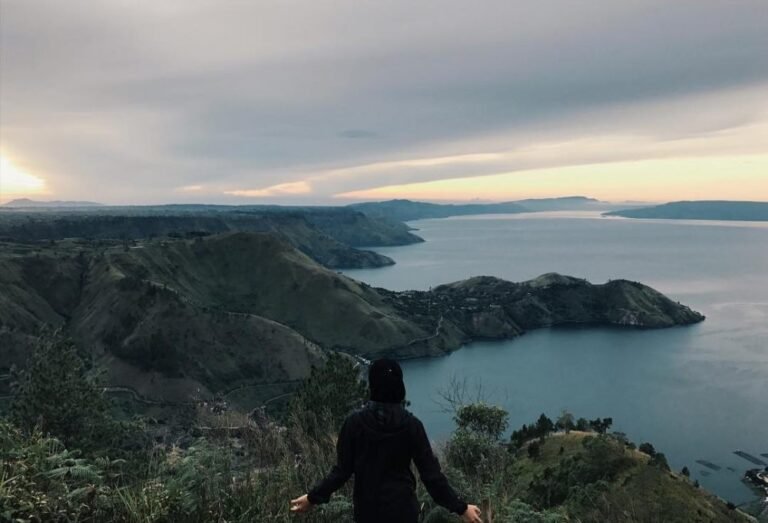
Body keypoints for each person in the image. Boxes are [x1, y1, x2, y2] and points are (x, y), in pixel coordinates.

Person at [290, 358, 483, 523]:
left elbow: (341, 472)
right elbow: (432, 477)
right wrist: (462, 508)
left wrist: (312, 498)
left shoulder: (354, 423)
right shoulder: (412, 426)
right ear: (400, 386)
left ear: (372, 385)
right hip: (403, 511)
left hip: (368, 512)